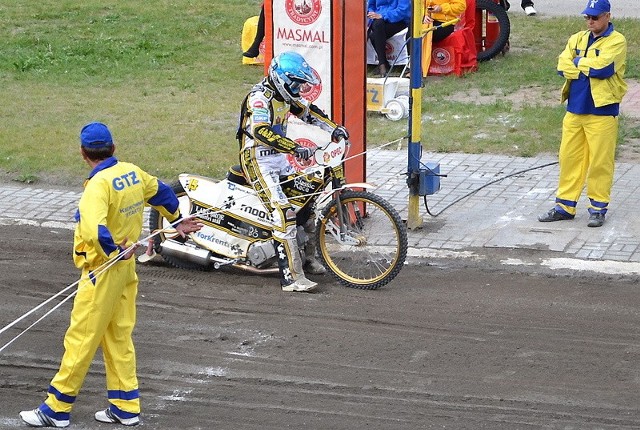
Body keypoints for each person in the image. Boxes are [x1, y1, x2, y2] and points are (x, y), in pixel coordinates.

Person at [19, 122, 203, 427]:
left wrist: (113, 250)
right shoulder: (131, 172)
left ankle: (56, 409)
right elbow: (160, 191)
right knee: (118, 337)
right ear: (113, 148)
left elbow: (94, 229)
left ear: (82, 153)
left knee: (80, 340)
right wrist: (177, 219)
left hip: (100, 273)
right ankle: (125, 407)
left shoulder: (98, 186)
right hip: (125, 272)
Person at [236, 51, 349, 292]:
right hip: (256, 159)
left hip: (278, 157)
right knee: (283, 212)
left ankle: (307, 258)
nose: (299, 88)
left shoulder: (285, 96)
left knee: (306, 203)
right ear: (282, 79)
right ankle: (291, 277)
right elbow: (260, 132)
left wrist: (335, 129)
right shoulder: (259, 98)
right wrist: (294, 147)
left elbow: (309, 113)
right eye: (296, 83)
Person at [538, 0, 627, 228]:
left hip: (602, 112)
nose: (590, 21)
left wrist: (578, 62)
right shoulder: (576, 38)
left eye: (595, 17)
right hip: (574, 110)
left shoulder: (617, 41)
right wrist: (585, 66)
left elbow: (603, 69)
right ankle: (564, 206)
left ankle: (598, 209)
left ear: (607, 16)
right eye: (587, 17)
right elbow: (561, 66)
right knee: (569, 159)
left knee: (600, 162)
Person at [367, 0, 411, 77]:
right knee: (378, 25)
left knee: (374, 35)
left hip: (398, 19)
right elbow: (370, 6)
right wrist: (372, 14)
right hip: (378, 20)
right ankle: (383, 64)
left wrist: (383, 16)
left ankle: (382, 64)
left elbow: (403, 10)